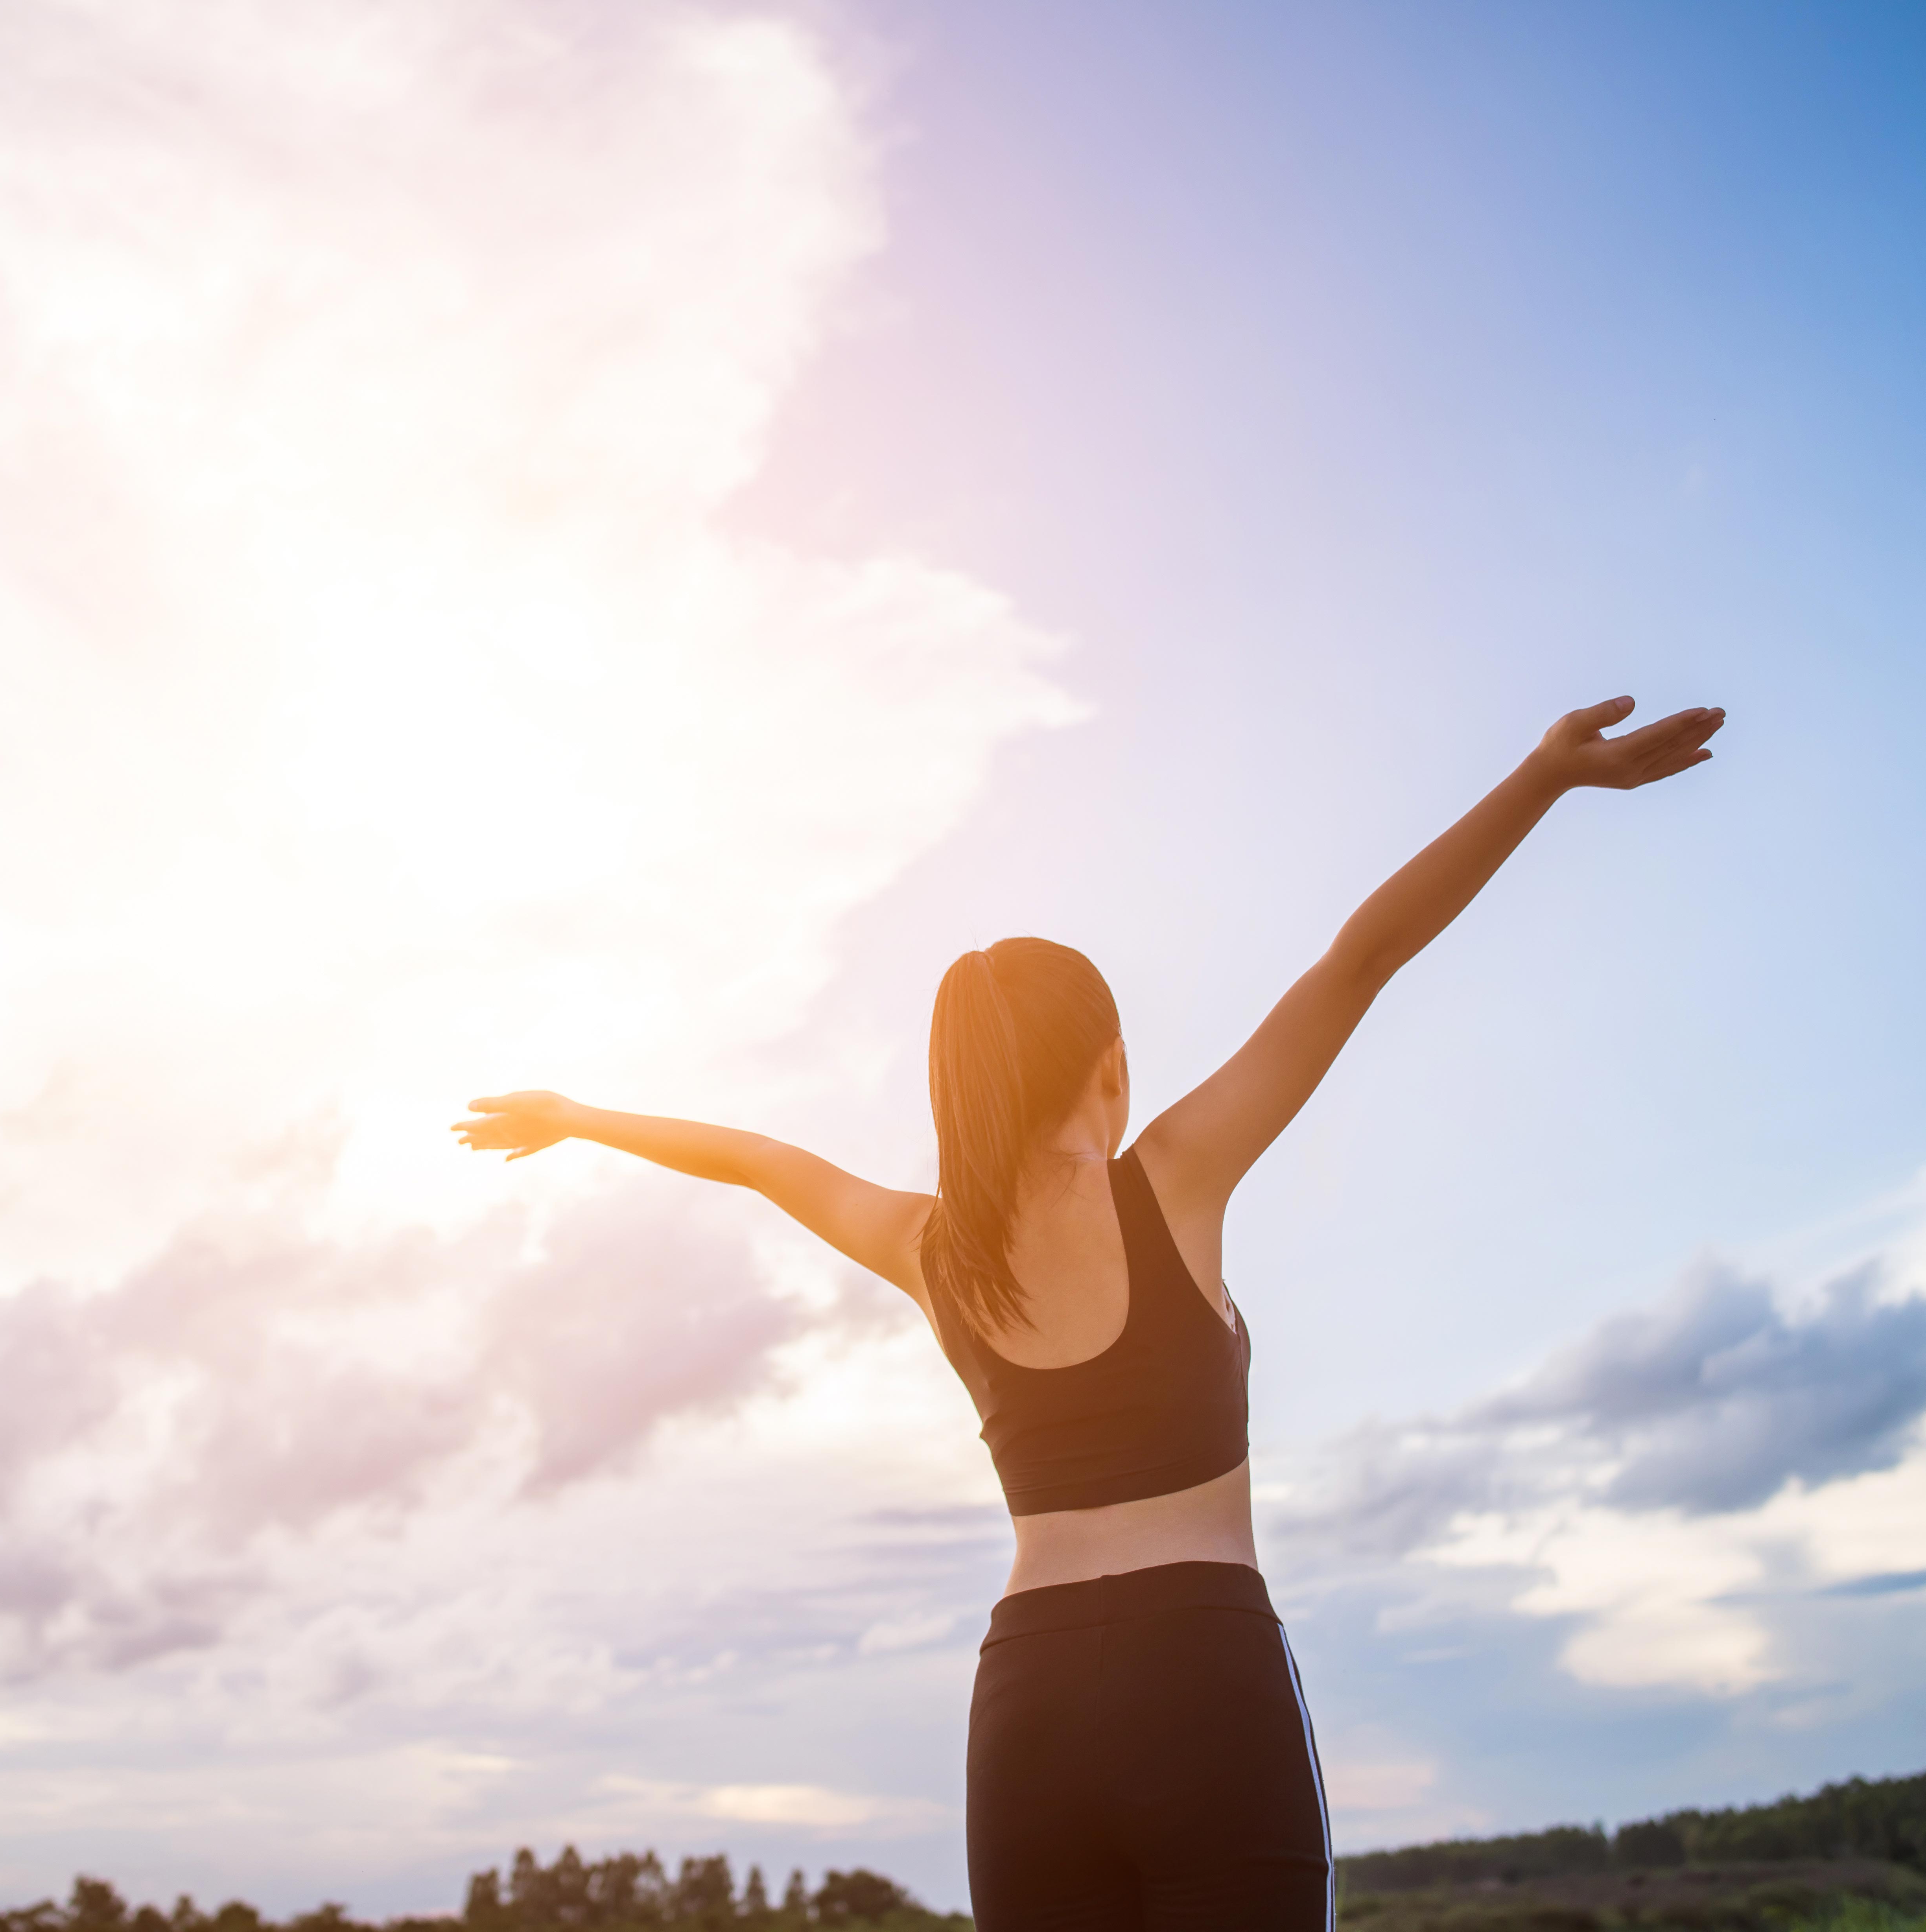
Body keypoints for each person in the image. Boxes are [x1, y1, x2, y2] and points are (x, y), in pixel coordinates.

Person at [454, 695, 1726, 1930]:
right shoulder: (1175, 1181)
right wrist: (1543, 780)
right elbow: (1365, 957)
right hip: (1203, 1674)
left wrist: (575, 1118)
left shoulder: (927, 1247)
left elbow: (756, 1157)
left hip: (1032, 1704)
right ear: (1110, 1065)